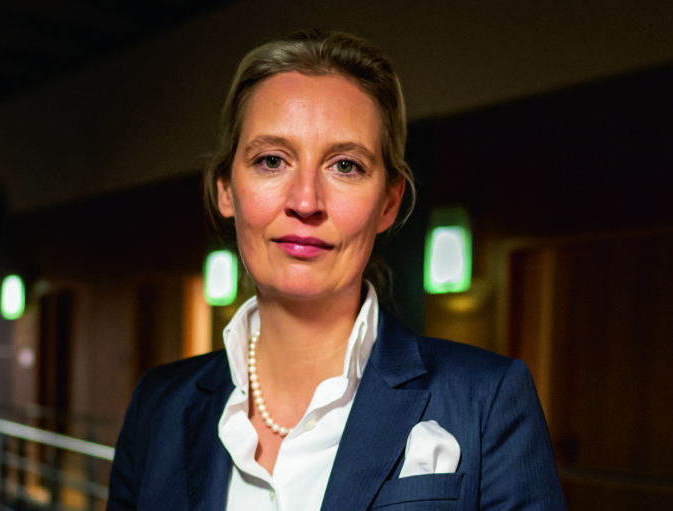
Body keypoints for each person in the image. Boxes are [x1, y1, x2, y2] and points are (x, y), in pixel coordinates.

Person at [107, 29, 567, 510]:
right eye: (271, 160)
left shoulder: (485, 401)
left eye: (345, 165)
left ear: (388, 203)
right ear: (226, 188)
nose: (305, 201)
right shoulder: (158, 406)